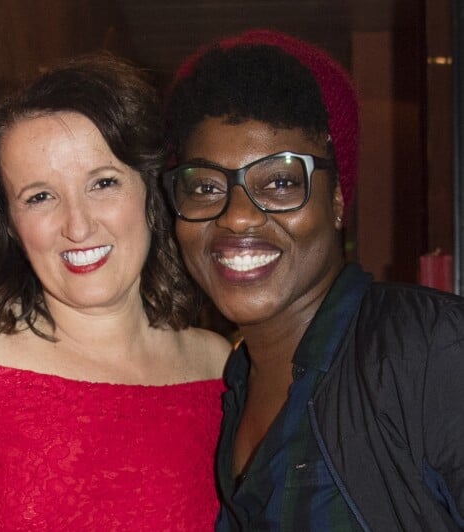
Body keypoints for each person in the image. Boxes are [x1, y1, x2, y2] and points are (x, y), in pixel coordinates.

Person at [0, 53, 230, 530]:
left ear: (153, 193)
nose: (78, 225)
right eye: (40, 196)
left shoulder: (219, 368)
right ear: (8, 223)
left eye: (104, 183)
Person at [162, 28, 464, 531]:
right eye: (206, 186)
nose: (237, 217)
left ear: (339, 200)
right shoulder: (229, 387)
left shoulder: (431, 352)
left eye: (280, 181)